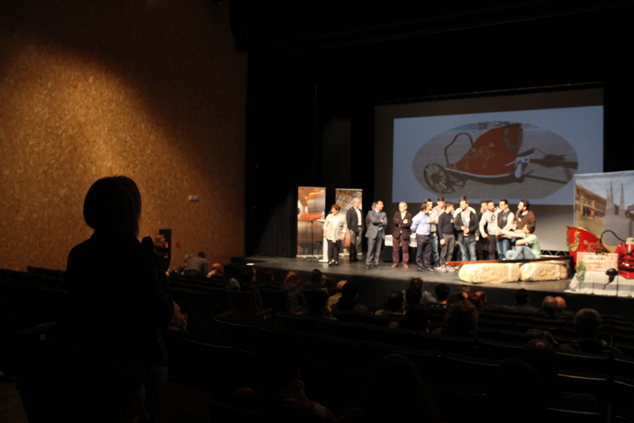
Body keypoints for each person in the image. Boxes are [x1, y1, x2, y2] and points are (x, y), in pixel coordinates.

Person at [64, 176, 174, 417]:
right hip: (138, 369)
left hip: (95, 361)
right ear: (129, 212)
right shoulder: (137, 255)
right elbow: (163, 314)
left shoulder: (79, 254)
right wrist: (161, 273)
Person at [232, 331, 336, 421]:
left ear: (258, 366)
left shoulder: (239, 396)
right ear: (297, 371)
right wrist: (304, 400)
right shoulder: (318, 413)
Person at [454, 197, 477, 262]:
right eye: (460, 204)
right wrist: (460, 227)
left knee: (472, 254)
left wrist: (470, 229)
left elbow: (476, 225)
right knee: (464, 254)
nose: (461, 206)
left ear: (467, 204)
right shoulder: (458, 215)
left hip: (471, 237)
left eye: (463, 204)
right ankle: (464, 267)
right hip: (462, 237)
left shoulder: (472, 214)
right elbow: (455, 225)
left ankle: (473, 267)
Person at [411, 202, 433, 271]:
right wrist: (415, 232)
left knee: (428, 251)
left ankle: (427, 265)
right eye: (428, 209)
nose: (429, 210)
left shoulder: (428, 215)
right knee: (420, 251)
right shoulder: (418, 217)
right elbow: (413, 227)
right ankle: (419, 266)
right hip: (421, 235)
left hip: (428, 235)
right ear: (424, 210)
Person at [365, 200, 387, 269]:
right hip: (372, 233)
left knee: (378, 250)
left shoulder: (383, 214)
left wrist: (378, 221)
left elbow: (385, 222)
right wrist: (381, 220)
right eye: (381, 204)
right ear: (376, 205)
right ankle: (368, 263)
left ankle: (376, 263)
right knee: (370, 249)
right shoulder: (370, 212)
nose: (382, 206)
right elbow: (373, 221)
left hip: (380, 233)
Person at [392, 202, 413, 268]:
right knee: (395, 249)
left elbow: (409, 224)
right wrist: (403, 222)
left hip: (405, 234)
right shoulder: (397, 214)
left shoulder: (409, 215)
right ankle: (395, 262)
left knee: (405, 249)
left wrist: (400, 224)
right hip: (396, 234)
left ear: (405, 207)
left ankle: (405, 262)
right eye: (399, 207)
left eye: (401, 207)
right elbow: (395, 221)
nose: (400, 208)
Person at [437, 202, 455, 272]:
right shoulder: (442, 216)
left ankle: (448, 264)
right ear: (448, 207)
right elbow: (439, 227)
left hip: (451, 235)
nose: (452, 208)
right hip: (445, 235)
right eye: (451, 207)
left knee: (450, 251)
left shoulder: (451, 215)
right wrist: (441, 238)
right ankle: (442, 265)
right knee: (444, 251)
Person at [346, 198, 364, 262]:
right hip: (353, 229)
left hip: (360, 228)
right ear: (354, 203)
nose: (359, 204)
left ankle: (355, 256)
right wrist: (350, 228)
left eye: (359, 202)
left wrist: (362, 227)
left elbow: (362, 219)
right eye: (357, 202)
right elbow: (348, 220)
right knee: (353, 243)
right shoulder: (350, 210)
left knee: (358, 243)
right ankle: (351, 257)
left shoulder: (360, 211)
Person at [430, 197, 445, 270]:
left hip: (445, 230)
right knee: (436, 248)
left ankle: (443, 262)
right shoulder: (435, 209)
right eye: (440, 203)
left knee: (443, 248)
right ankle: (437, 262)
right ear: (437, 202)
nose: (441, 204)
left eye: (442, 203)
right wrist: (441, 217)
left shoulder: (446, 208)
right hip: (437, 230)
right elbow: (435, 220)